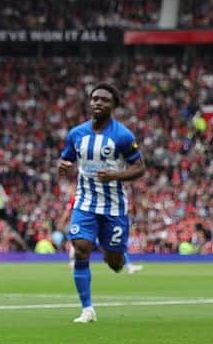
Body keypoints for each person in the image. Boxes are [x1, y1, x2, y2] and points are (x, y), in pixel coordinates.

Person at [57, 84, 146, 323]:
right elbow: (65, 160)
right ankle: (87, 309)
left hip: (114, 207)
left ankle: (115, 257)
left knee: (114, 262)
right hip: (85, 203)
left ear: (113, 106)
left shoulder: (123, 136)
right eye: (95, 99)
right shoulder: (76, 134)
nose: (98, 103)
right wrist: (62, 167)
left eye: (104, 100)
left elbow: (140, 168)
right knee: (82, 248)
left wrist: (116, 175)